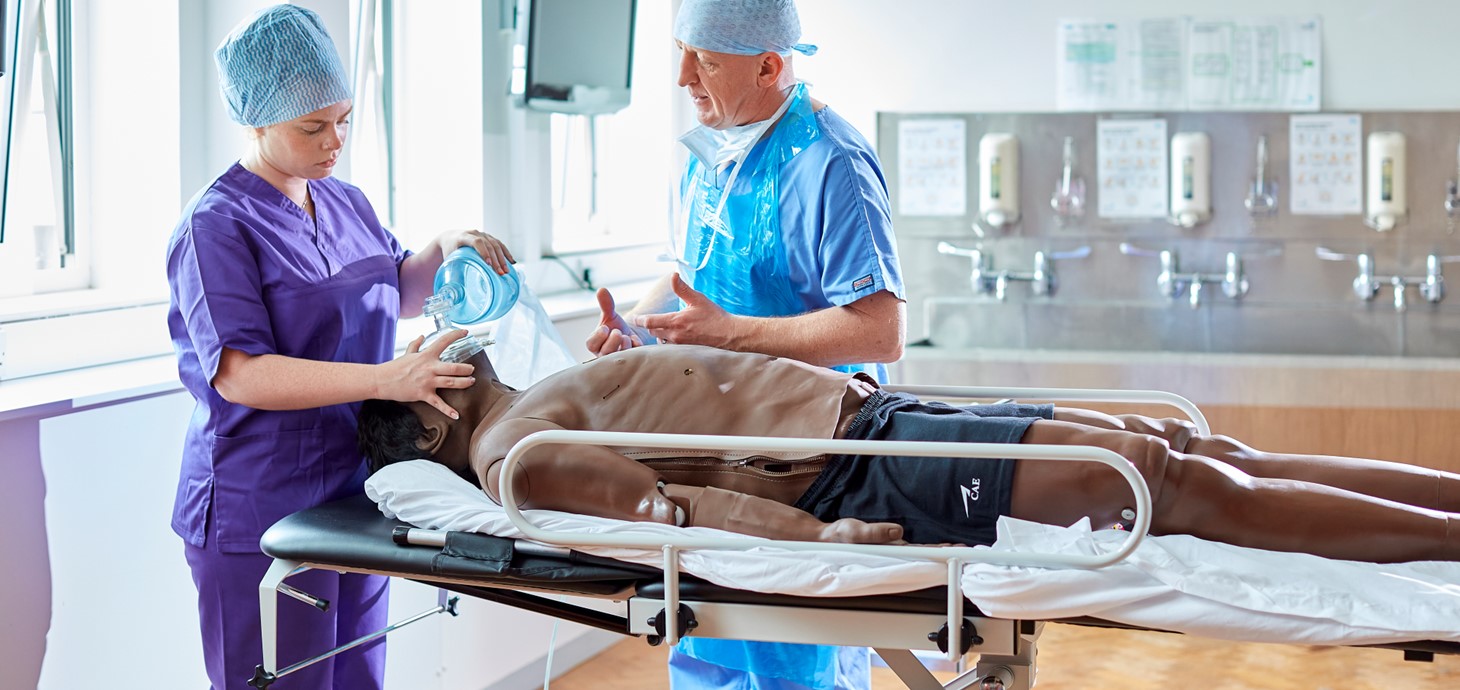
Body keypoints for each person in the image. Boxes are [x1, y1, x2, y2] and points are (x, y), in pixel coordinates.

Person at [359, 343, 1460, 565]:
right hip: (861, 473)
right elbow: (671, 517)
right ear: (424, 425)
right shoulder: (512, 454)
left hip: (880, 416)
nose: (428, 346)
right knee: (1164, 487)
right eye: (410, 365)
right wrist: (821, 535)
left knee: (1171, 443)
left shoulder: (543, 377)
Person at [165, 6, 515, 689]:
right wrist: (388, 379)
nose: (337, 140)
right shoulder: (215, 225)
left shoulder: (345, 201)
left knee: (357, 676)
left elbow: (397, 286)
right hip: (258, 503)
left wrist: (446, 247)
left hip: (358, 490)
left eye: (344, 118)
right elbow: (240, 375)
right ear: (257, 118)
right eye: (313, 126)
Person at [586, 0, 904, 685]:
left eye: (701, 60)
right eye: (680, 53)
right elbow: (685, 286)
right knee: (706, 640)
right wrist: (634, 329)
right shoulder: (709, 158)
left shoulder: (832, 164)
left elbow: (881, 329)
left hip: (807, 460)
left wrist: (733, 335)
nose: (680, 79)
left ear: (767, 65)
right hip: (706, 455)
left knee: (794, 654)